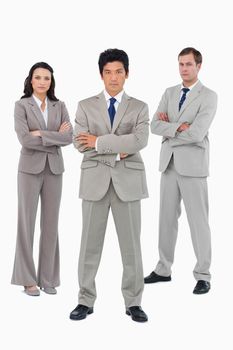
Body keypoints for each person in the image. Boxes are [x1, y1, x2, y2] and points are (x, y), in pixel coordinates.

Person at [70, 49, 149, 322]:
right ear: (101, 74)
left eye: (118, 71)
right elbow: (80, 143)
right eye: (108, 72)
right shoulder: (84, 105)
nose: (113, 77)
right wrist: (118, 149)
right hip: (94, 182)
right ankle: (84, 300)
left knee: (132, 247)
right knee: (88, 246)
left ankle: (134, 302)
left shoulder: (139, 107)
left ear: (127, 73)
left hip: (128, 183)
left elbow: (139, 142)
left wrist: (99, 142)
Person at [144, 47, 217, 294]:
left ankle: (203, 274)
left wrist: (169, 131)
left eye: (188, 64)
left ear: (199, 66)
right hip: (169, 164)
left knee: (198, 222)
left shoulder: (209, 96)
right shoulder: (169, 92)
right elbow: (154, 125)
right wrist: (178, 127)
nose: (184, 68)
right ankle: (163, 269)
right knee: (165, 219)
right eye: (181, 64)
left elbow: (198, 132)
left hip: (194, 166)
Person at [11, 62, 73, 296]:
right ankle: (27, 280)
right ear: (30, 80)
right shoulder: (21, 105)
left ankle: (48, 278)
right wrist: (55, 136)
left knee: (51, 224)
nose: (42, 82)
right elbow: (25, 140)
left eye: (46, 78)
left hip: (54, 170)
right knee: (26, 223)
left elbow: (70, 138)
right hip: (29, 169)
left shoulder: (60, 105)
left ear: (51, 81)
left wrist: (42, 134)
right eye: (38, 77)